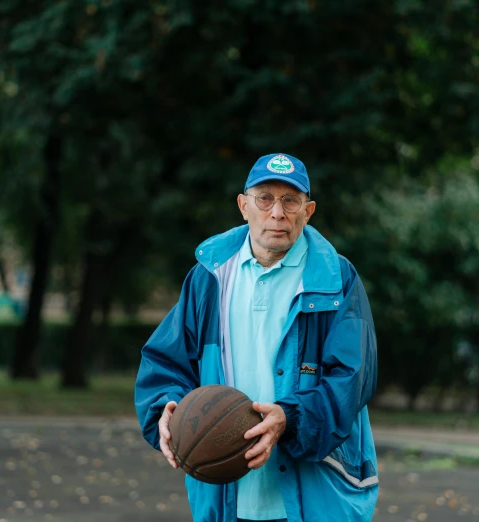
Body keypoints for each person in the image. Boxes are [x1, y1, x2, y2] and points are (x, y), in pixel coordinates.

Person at [134, 153, 379, 522]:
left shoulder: (336, 279)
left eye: (290, 200)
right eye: (264, 198)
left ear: (308, 211)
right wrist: (166, 407)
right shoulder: (209, 278)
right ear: (243, 205)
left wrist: (290, 418)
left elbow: (353, 378)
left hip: (316, 495)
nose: (277, 213)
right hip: (226, 497)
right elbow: (166, 362)